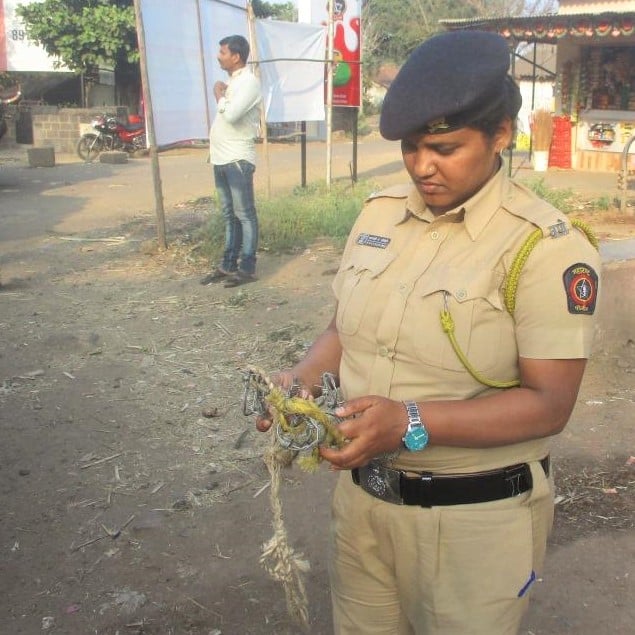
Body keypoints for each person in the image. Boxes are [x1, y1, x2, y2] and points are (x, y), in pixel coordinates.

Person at [255, 30, 601, 635]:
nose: (422, 166)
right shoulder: (380, 212)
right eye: (412, 148)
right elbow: (345, 328)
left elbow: (550, 405)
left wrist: (408, 422)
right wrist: (302, 380)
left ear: (500, 135)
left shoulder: (545, 249)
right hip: (363, 509)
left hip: (472, 525)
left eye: (444, 147)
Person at [201, 34, 262, 288]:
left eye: (223, 52)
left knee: (244, 214)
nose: (219, 55)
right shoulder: (234, 82)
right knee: (230, 215)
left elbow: (233, 115)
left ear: (236, 56)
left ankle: (246, 268)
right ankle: (227, 265)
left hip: (237, 159)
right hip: (222, 158)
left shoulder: (249, 81)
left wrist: (219, 95)